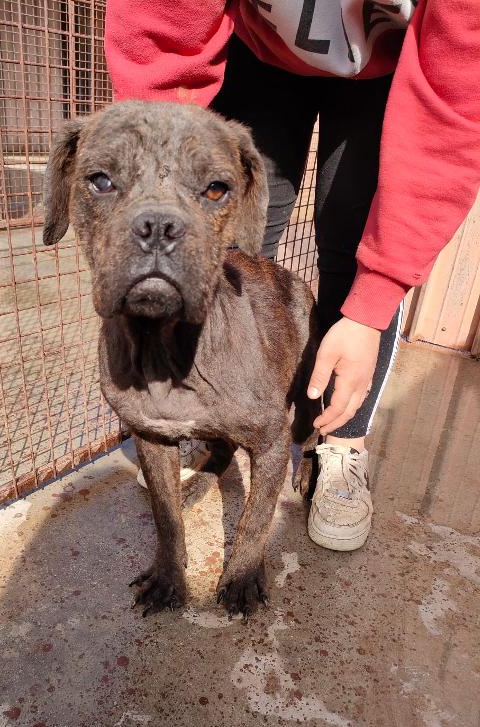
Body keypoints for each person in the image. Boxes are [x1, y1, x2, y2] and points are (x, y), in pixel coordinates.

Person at [103, 0, 480, 551]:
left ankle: (341, 443)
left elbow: (453, 105)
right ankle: (199, 414)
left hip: (388, 70)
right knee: (222, 247)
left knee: (351, 257)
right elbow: (162, 30)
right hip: (260, 52)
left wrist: (376, 298)